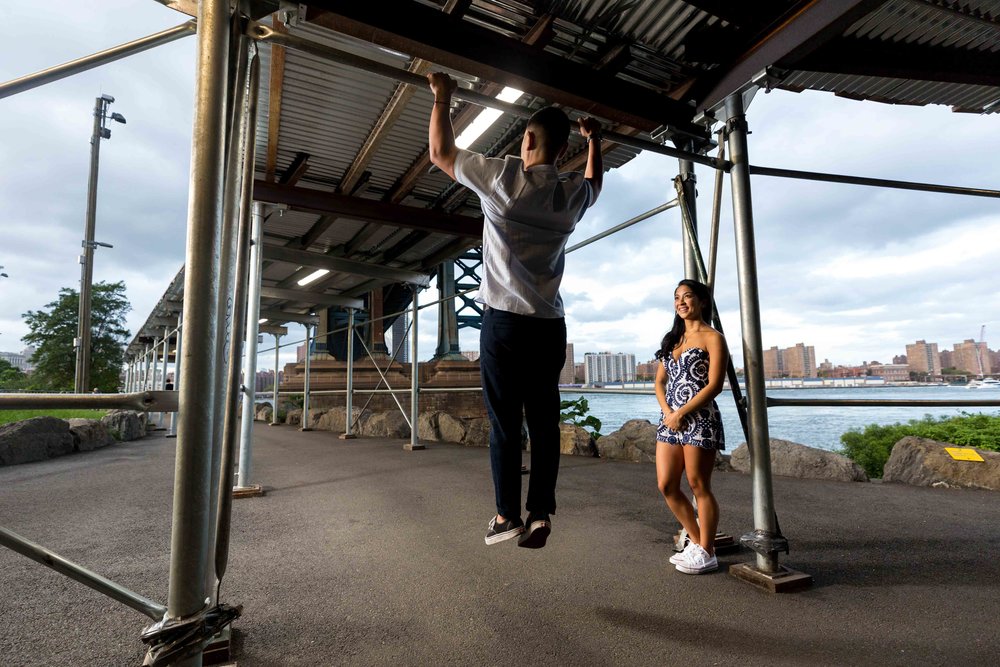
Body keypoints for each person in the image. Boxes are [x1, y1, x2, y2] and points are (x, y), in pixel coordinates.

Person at [427, 72, 604, 548]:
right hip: (550, 327)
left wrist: (443, 98)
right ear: (561, 148)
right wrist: (596, 142)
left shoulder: (504, 178)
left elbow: (442, 154)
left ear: (526, 139)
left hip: (504, 322)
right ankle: (540, 512)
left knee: (506, 421)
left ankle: (507, 515)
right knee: (544, 422)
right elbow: (594, 184)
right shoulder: (568, 197)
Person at [653, 279, 727, 574]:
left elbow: (715, 385)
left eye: (687, 296)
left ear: (702, 302)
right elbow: (659, 382)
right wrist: (669, 413)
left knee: (698, 485)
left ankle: (707, 551)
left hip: (700, 419)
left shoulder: (713, 338)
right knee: (667, 485)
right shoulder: (673, 338)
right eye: (676, 298)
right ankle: (700, 544)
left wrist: (682, 412)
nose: (681, 302)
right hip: (670, 421)